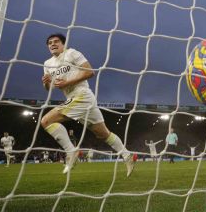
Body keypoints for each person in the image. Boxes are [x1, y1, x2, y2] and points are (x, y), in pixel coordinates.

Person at [41, 33, 136, 176]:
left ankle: (71, 151)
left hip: (81, 94)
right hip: (75, 98)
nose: (52, 44)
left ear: (63, 44)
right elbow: (49, 89)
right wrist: (46, 83)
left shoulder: (72, 53)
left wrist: (68, 82)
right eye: (49, 43)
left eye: (56, 42)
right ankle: (128, 155)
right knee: (103, 134)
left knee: (46, 121)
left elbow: (90, 72)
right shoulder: (47, 64)